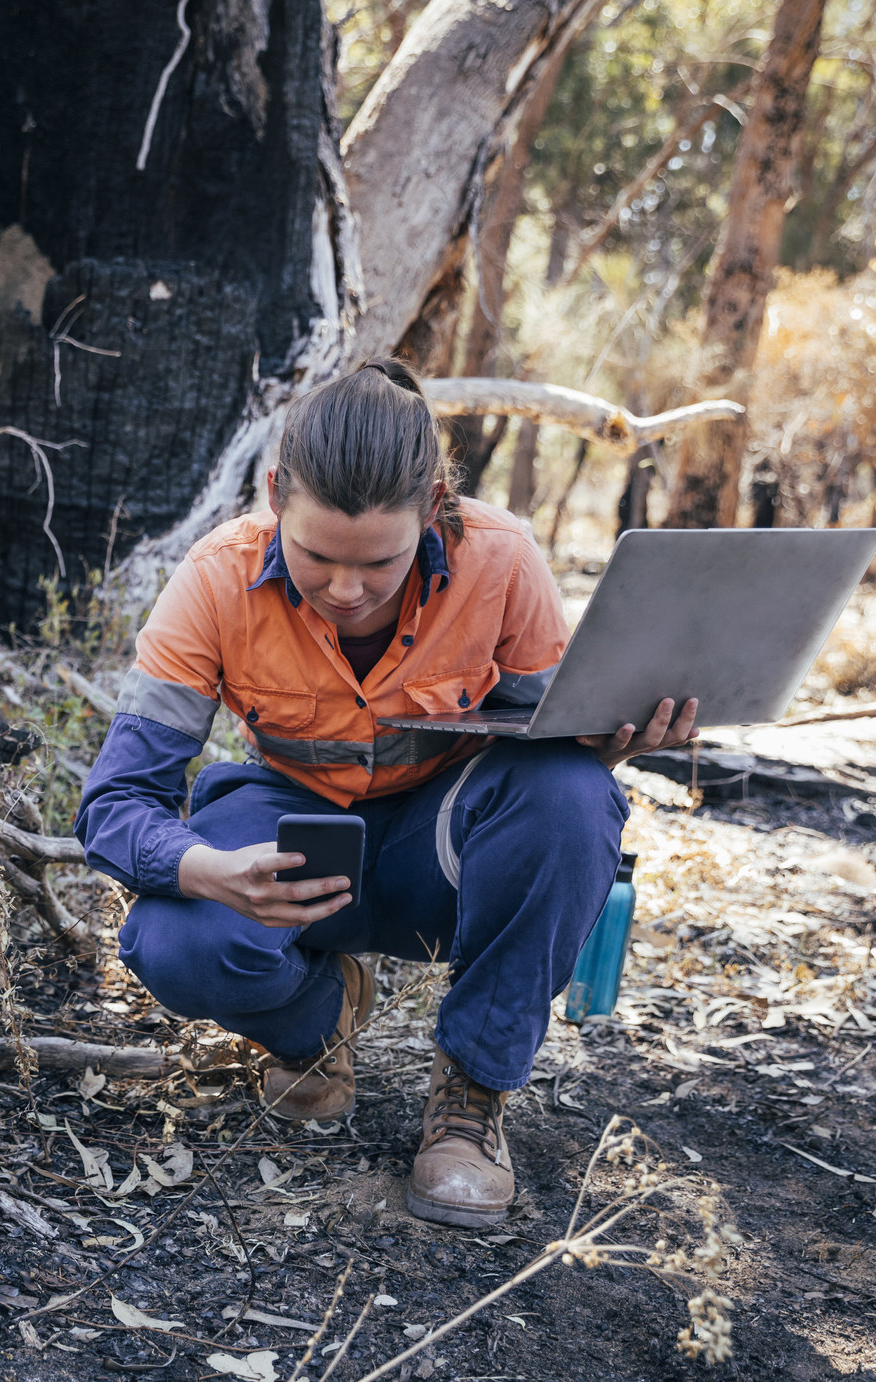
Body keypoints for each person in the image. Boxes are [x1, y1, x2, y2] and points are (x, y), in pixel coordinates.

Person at [74, 359, 697, 1228]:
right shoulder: (214, 579)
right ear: (273, 492)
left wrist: (614, 739)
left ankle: (471, 1097)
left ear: (435, 503)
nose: (347, 591)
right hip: (294, 841)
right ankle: (318, 1023)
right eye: (316, 557)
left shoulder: (502, 558)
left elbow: (552, 763)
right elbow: (114, 806)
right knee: (170, 938)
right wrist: (207, 868)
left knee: (571, 793)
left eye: (380, 562)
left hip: (439, 851)